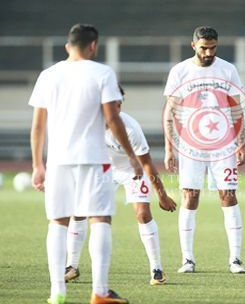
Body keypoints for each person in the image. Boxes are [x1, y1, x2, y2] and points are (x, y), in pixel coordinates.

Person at [30, 23, 142, 304]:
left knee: (58, 222)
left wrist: (37, 164)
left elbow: (38, 126)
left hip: (57, 161)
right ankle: (100, 290)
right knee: (100, 219)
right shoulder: (102, 73)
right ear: (93, 45)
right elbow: (114, 120)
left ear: (68, 46)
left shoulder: (48, 75)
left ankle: (57, 290)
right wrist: (130, 156)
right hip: (95, 159)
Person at [64, 85, 177, 286]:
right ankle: (71, 266)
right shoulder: (87, 125)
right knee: (79, 211)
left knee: (142, 214)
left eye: (118, 105)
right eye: (110, 105)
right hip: (103, 170)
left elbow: (147, 163)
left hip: (133, 171)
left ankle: (157, 269)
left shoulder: (131, 128)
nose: (115, 110)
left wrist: (162, 195)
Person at [163, 26, 245, 274]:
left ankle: (235, 260)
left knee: (228, 195)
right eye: (204, 48)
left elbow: (236, 109)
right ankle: (187, 260)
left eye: (212, 47)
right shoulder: (180, 71)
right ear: (193, 46)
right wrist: (169, 149)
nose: (209, 52)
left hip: (224, 145)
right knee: (190, 197)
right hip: (190, 145)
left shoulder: (227, 69)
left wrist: (241, 142)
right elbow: (170, 113)